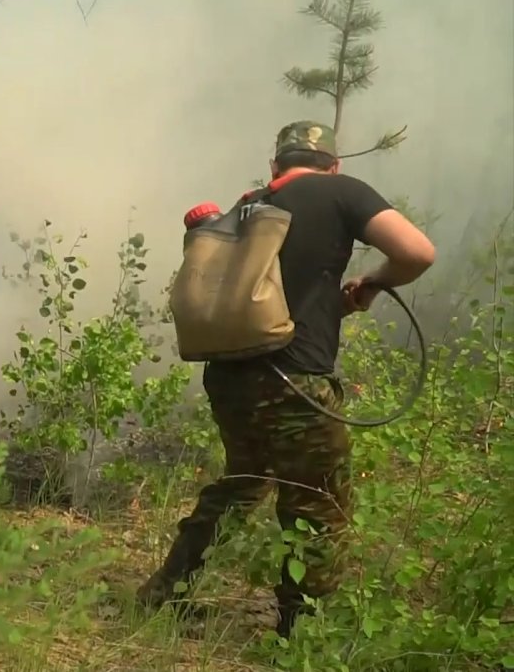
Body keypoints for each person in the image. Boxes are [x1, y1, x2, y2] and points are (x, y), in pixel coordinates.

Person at [135, 121, 436, 638]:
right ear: (333, 165)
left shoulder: (250, 206)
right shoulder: (343, 192)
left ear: (276, 165)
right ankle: (301, 638)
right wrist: (374, 280)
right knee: (319, 506)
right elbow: (417, 252)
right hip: (295, 382)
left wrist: (334, 305)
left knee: (242, 484)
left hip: (230, 378)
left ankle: (162, 593)